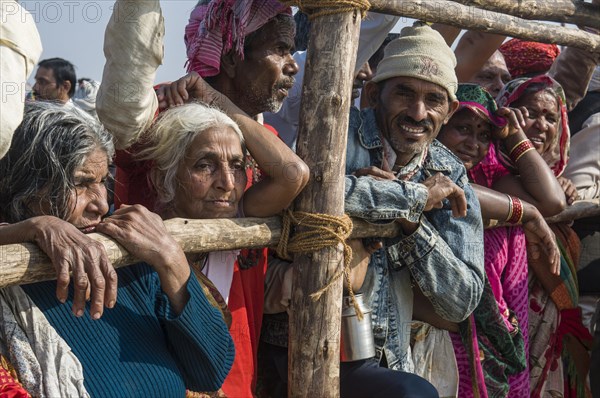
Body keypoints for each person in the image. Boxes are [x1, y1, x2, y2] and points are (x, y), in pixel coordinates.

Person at [96, 2, 310, 396]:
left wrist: (216, 102)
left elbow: (293, 175)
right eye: (279, 49)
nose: (292, 64)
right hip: (160, 371)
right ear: (231, 56)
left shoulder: (270, 146)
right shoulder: (163, 116)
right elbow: (123, 107)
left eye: (236, 166)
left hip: (237, 371)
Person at [0, 102, 235, 397]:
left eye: (103, 182)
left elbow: (211, 372)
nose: (101, 203)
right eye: (81, 183)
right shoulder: (10, 276)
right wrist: (29, 228)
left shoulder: (130, 258)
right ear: (25, 189)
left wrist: (171, 260)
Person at [437, 83, 563, 397]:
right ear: (440, 125)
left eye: (484, 135)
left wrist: (514, 134)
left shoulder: (492, 179)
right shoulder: (423, 173)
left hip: (495, 335)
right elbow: (453, 189)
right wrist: (528, 215)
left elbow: (553, 202)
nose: (473, 144)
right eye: (462, 129)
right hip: (441, 331)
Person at [496, 75, 593, 397]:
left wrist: (561, 184)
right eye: (529, 113)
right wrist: (514, 136)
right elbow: (550, 205)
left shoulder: (556, 179)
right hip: (508, 317)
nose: (540, 125)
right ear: (507, 114)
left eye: (551, 117)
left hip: (548, 324)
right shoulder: (494, 174)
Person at [0, 0, 42, 159]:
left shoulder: (12, 17)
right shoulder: (18, 19)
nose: (37, 87)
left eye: (43, 82)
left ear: (65, 86)